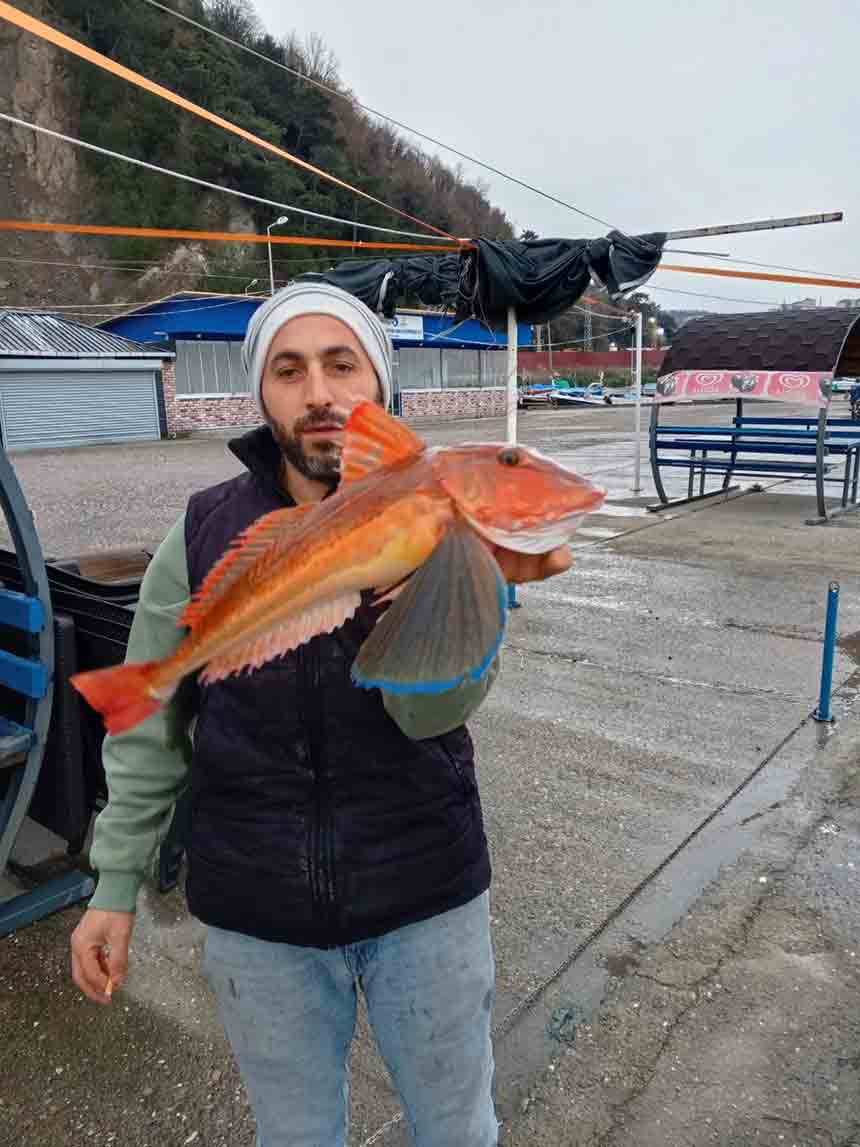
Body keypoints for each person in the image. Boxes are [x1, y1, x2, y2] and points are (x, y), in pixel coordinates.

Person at [70, 283, 572, 1147]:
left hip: (423, 891)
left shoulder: (448, 530)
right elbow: (150, 733)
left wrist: (443, 601)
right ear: (261, 393)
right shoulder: (204, 531)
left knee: (458, 1129)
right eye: (289, 370)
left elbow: (431, 715)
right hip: (256, 912)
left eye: (342, 365)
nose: (318, 393)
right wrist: (114, 884)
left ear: (379, 383)